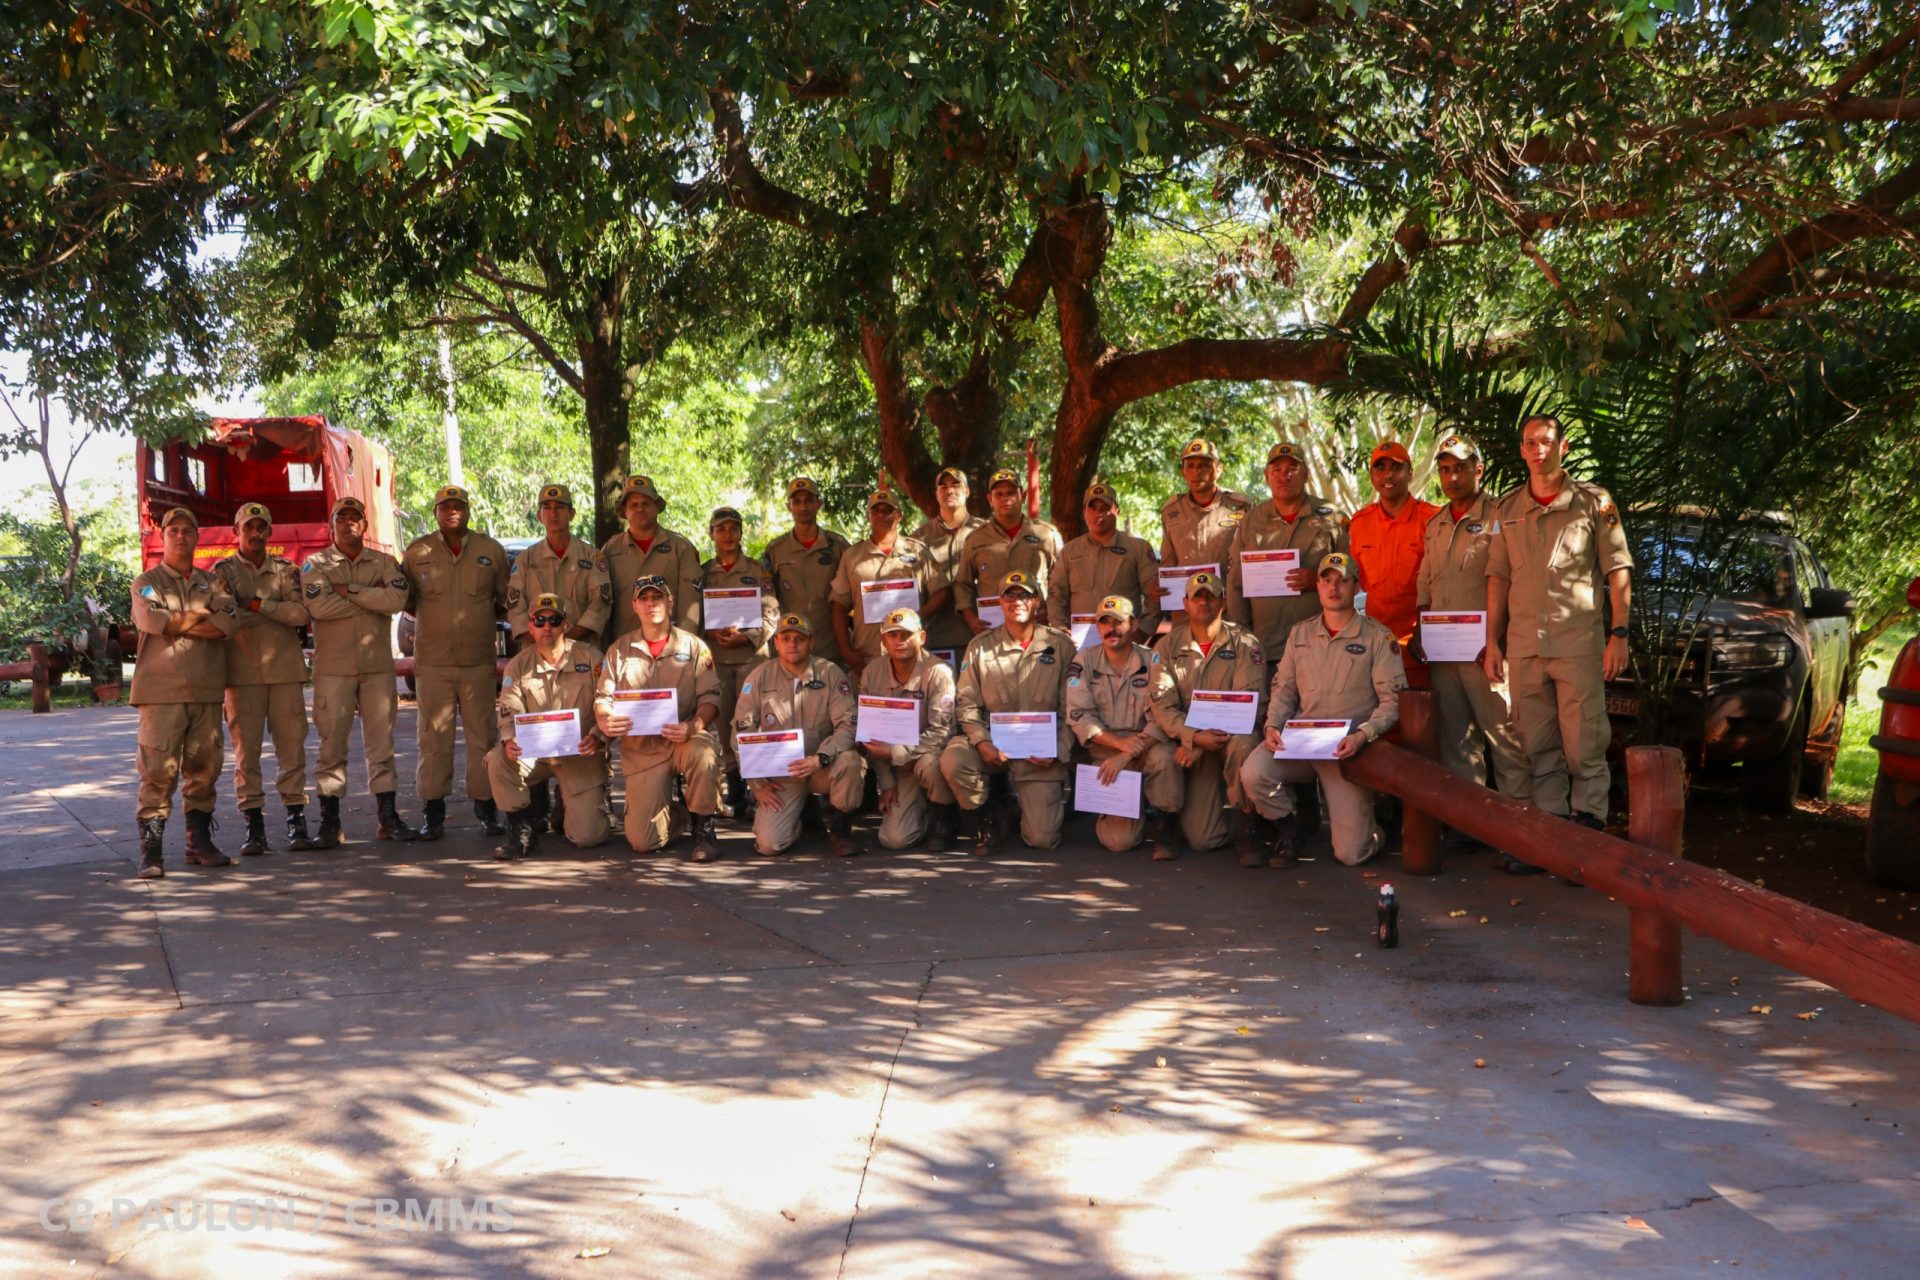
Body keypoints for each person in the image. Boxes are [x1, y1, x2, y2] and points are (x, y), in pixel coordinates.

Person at [1485, 414, 1634, 853]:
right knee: (1538, 744)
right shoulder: (1507, 509)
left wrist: (1619, 634)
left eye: (1546, 441)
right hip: (1525, 648)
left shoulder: (1594, 502)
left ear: (1563, 446)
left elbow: (1618, 568)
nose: (1538, 450)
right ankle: (1549, 838)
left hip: (1577, 646)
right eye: (1530, 442)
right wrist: (1492, 641)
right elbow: (1498, 576)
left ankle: (1587, 837)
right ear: (1522, 449)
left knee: (1584, 742)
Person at [1239, 553, 1407, 867]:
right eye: (1326, 579)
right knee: (1254, 773)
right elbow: (1284, 688)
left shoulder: (1377, 637)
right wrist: (1272, 726)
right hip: (1301, 743)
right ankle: (1291, 825)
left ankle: (1373, 829)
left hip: (1348, 750)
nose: (1334, 587)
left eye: (1342, 580)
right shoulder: (1300, 633)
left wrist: (1362, 736)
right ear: (1316, 585)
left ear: (1356, 585)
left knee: (1351, 854)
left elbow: (1393, 702)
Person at [1414, 434, 1532, 835]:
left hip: (1489, 652)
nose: (1452, 476)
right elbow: (1425, 583)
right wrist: (1420, 624)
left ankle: (1521, 832)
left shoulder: (1503, 515)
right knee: (1458, 746)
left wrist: (1497, 638)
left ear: (1478, 470)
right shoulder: (1435, 525)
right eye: (1445, 469)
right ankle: (1472, 828)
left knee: (1505, 740)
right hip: (1445, 654)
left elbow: (1515, 577)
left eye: (1460, 467)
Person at [130, 508, 238, 877]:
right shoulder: (147, 581)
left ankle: (198, 844)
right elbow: (152, 620)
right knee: (157, 772)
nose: (180, 536)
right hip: (161, 693)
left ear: (196, 536)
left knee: (204, 771)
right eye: (172, 530)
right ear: (162, 536)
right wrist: (201, 616)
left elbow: (226, 624)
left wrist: (178, 623)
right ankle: (153, 851)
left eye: (187, 530)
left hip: (206, 690)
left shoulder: (215, 583)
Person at [301, 495, 414, 846]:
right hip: (334, 671)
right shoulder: (314, 563)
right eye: (341, 518)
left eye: (355, 518)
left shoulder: (383, 561)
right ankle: (330, 823)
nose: (349, 523)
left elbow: (395, 601)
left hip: (376, 669)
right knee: (332, 746)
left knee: (381, 745)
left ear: (364, 525)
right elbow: (319, 606)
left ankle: (388, 817)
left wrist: (346, 589)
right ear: (331, 525)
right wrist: (369, 597)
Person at [402, 484, 510, 840]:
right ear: (435, 511)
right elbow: (408, 602)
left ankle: (486, 808)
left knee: (483, 737)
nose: (452, 511)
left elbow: (502, 599)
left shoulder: (490, 551)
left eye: (459, 506)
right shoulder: (418, 551)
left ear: (468, 510)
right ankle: (433, 813)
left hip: (478, 661)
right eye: (445, 506)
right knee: (433, 739)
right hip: (433, 663)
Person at [942, 570, 1075, 855]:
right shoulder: (980, 647)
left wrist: (1058, 749)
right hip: (994, 748)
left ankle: (1018, 805)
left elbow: (1072, 707)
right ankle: (990, 811)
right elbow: (965, 703)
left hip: (1039, 755)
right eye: (1009, 595)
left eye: (1024, 595)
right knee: (953, 759)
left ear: (1037, 601)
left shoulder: (1061, 646)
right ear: (999, 603)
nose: (1017, 601)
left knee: (1041, 838)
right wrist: (982, 741)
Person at [595, 575, 725, 861]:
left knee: (703, 753)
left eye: (657, 597)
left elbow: (711, 698)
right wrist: (605, 720)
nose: (651, 603)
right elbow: (603, 699)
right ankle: (681, 815)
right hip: (642, 750)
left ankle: (704, 826)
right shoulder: (618, 650)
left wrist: (694, 726)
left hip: (683, 739)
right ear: (634, 606)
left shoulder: (694, 647)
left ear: (670, 601)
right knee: (643, 842)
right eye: (644, 598)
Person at [1146, 571, 1269, 862]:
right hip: (1188, 743)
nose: (1204, 602)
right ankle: (1168, 823)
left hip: (1227, 740)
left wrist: (1200, 742)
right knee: (1204, 840)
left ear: (1223, 602)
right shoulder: (1166, 647)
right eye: (1197, 597)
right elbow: (1162, 705)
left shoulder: (1245, 644)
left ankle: (1248, 824)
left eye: (1210, 596)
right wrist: (1193, 738)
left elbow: (1248, 704)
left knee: (1244, 745)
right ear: (1185, 602)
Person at [215, 501, 312, 855]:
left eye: (262, 527)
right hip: (241, 677)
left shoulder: (287, 570)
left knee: (292, 750)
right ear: (236, 531)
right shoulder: (222, 573)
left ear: (270, 532)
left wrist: (256, 606)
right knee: (246, 755)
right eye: (248, 527)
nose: (255, 533)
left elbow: (300, 614)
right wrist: (274, 612)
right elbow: (227, 617)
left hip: (285, 674)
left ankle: (295, 820)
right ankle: (253, 825)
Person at [733, 612, 867, 856]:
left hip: (821, 766)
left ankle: (840, 829)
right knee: (769, 845)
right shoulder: (759, 677)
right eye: (785, 638)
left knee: (850, 760)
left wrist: (821, 758)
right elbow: (742, 733)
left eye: (800, 638)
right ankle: (800, 818)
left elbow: (849, 725)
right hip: (782, 775)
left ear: (812, 642)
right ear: (776, 643)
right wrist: (757, 785)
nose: (792, 643)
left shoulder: (830, 673)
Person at [487, 593, 609, 859]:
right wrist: (509, 739)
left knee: (588, 837)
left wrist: (598, 736)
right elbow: (508, 709)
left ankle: (566, 806)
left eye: (554, 620)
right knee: (497, 760)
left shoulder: (591, 658)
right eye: (539, 620)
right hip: (537, 755)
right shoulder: (518, 665)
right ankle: (521, 830)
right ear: (530, 626)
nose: (547, 627)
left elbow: (608, 701)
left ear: (565, 624)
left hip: (580, 753)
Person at [1066, 595, 1180, 858]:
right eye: (1104, 622)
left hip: (1146, 747)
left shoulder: (1153, 661)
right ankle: (1130, 806)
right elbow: (1079, 715)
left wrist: (1126, 753)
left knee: (1165, 758)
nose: (1111, 629)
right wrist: (1118, 748)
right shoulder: (1084, 661)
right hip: (1106, 752)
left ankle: (1165, 825)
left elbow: (1163, 715)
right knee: (1120, 842)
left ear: (1134, 623)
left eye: (1118, 622)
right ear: (1097, 627)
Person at [1225, 441, 1348, 655]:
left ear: (1306, 474)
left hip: (1321, 648)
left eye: (1292, 469)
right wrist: (1241, 637)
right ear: (1266, 476)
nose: (1285, 476)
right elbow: (1236, 583)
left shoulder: (1332, 516)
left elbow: (1354, 573)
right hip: (1264, 646)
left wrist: (1319, 579)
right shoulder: (1251, 520)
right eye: (1277, 470)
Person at [856, 608, 960, 850]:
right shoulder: (872, 672)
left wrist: (895, 751)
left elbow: (941, 733)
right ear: (883, 640)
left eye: (906, 635)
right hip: (897, 768)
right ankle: (918, 810)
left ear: (921, 637)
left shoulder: (939, 672)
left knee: (932, 765)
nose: (899, 641)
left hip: (927, 756)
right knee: (894, 840)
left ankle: (945, 814)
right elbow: (870, 736)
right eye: (892, 636)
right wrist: (887, 782)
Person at [700, 505, 779, 813]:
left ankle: (757, 783)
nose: (728, 534)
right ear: (712, 534)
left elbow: (772, 611)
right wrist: (710, 630)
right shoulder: (704, 572)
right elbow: (693, 614)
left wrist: (749, 635)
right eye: (721, 529)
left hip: (752, 659)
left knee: (752, 721)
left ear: (741, 532)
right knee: (724, 723)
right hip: (716, 658)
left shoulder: (758, 570)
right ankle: (734, 785)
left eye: (733, 528)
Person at [831, 482, 947, 685]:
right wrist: (846, 650)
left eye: (888, 511)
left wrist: (918, 616)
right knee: (872, 712)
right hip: (867, 654)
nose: (882, 515)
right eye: (876, 511)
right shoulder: (852, 556)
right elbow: (839, 605)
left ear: (898, 515)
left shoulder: (917, 551)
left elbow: (942, 591)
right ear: (869, 515)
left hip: (911, 654)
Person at [1347, 440, 1440, 685]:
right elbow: (1357, 583)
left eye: (1396, 468)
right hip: (1376, 646)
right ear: (1371, 476)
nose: (1388, 475)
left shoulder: (1432, 520)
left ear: (1410, 473)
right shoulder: (1359, 523)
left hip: (1421, 646)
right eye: (1380, 468)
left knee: (1421, 719)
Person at [1046, 480, 1162, 649]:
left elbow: (1156, 595)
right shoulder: (1070, 551)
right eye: (1092, 508)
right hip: (1080, 645)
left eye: (1105, 508)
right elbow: (1056, 596)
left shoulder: (1137, 548)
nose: (1098, 514)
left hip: (1124, 643)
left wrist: (1144, 629)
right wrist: (1060, 630)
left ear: (1117, 511)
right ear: (1084, 512)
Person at [953, 469, 1064, 634]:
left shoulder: (1046, 534)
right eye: (999, 494)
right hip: (993, 630)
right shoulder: (975, 539)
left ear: (1023, 496)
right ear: (990, 499)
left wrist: (1050, 611)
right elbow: (963, 584)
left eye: (1011, 493)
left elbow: (1061, 581)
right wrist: (970, 618)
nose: (1005, 498)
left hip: (1038, 627)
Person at [761, 476, 854, 667]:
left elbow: (852, 598)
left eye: (809, 500)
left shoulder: (838, 547)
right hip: (790, 650)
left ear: (818, 504)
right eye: (797, 501)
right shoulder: (775, 551)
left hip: (831, 648)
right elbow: (766, 599)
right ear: (789, 506)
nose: (803, 507)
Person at [1158, 438, 1253, 620]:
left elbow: (1251, 560)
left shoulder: (1241, 506)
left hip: (1229, 610)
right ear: (1183, 472)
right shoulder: (1171, 511)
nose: (1197, 472)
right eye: (1190, 466)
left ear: (1218, 469)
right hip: (1187, 613)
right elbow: (1168, 563)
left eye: (1204, 465)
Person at [508, 483, 611, 647]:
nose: (553, 513)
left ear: (572, 513)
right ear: (539, 516)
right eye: (546, 508)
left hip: (582, 651)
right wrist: (545, 643)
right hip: (536, 653)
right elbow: (516, 610)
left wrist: (565, 642)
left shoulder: (592, 557)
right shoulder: (525, 559)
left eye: (560, 507)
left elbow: (600, 605)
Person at [601, 474, 703, 638]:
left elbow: (690, 604)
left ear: (656, 507)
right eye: (634, 505)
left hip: (670, 646)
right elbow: (602, 604)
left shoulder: (681, 548)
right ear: (625, 511)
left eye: (646, 503)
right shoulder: (610, 551)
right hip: (625, 648)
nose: (640, 508)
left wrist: (684, 646)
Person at [909, 465, 986, 660]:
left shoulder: (986, 533)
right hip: (935, 637)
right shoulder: (919, 538)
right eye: (943, 487)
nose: (949, 490)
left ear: (967, 492)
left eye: (956, 485)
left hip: (980, 633)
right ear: (936, 494)